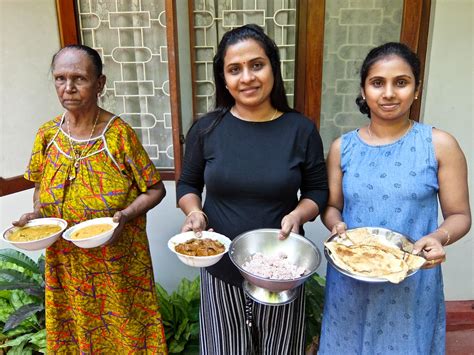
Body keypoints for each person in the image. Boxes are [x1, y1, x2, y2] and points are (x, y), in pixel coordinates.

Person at [176, 24, 328, 354]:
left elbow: (317, 191)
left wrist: (299, 213)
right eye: (235, 69)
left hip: (281, 268)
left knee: (281, 349)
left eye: (256, 65)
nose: (247, 78)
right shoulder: (207, 129)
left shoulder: (300, 129)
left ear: (273, 67)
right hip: (219, 269)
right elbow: (188, 184)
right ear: (224, 78)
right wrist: (194, 212)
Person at [13, 45, 168, 353]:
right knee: (76, 334)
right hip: (67, 264)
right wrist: (36, 215)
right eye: (60, 78)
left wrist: (124, 215)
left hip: (117, 265)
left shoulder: (118, 135)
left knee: (126, 332)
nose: (68, 87)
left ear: (100, 84)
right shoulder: (47, 135)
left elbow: (155, 189)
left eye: (79, 78)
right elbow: (41, 187)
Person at [319, 42, 471, 354]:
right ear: (363, 90)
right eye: (377, 83)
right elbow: (332, 207)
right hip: (351, 278)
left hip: (412, 281)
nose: (388, 93)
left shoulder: (439, 145)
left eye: (401, 82)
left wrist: (439, 236)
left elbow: (460, 215)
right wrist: (337, 226)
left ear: (416, 89)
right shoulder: (342, 148)